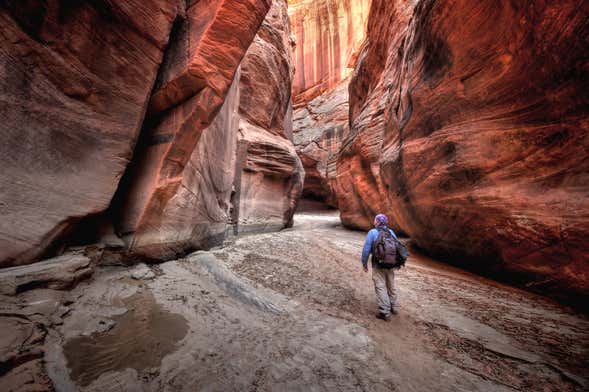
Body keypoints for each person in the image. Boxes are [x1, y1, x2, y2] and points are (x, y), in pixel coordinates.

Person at [361, 213, 399, 321]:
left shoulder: (372, 232)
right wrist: (396, 263)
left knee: (380, 286)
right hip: (391, 264)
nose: (374, 221)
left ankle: (384, 312)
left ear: (377, 222)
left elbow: (366, 249)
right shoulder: (391, 232)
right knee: (391, 285)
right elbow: (397, 247)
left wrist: (364, 263)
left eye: (375, 220)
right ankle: (394, 307)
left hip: (378, 264)